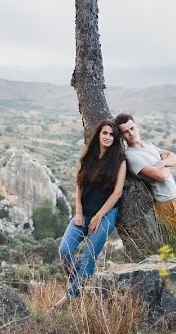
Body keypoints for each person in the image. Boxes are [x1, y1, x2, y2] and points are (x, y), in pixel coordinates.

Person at [56, 119, 127, 306]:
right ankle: (81, 286)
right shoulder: (87, 155)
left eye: (112, 134)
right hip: (84, 212)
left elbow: (117, 192)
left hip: (106, 214)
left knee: (88, 257)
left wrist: (99, 216)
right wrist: (78, 212)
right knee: (64, 251)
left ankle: (67, 299)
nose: (108, 137)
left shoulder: (120, 161)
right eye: (105, 133)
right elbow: (79, 183)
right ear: (98, 134)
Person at [114, 112, 176, 257]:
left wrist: (162, 163)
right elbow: (161, 176)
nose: (130, 133)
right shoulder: (132, 156)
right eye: (125, 132)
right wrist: (165, 165)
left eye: (132, 128)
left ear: (137, 127)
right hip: (167, 204)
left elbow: (174, 156)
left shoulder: (148, 145)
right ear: (122, 136)